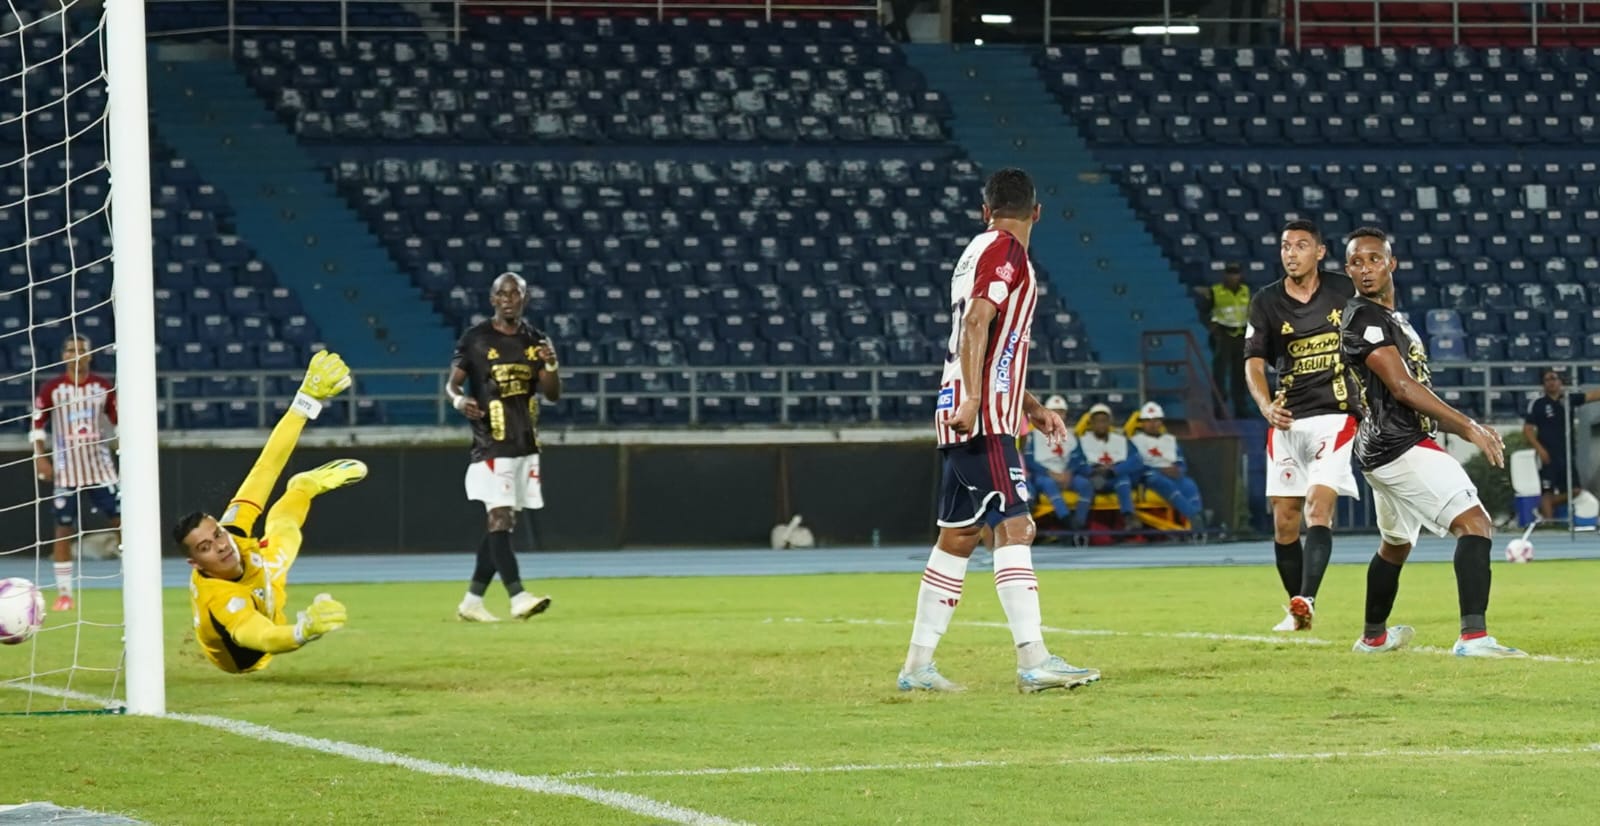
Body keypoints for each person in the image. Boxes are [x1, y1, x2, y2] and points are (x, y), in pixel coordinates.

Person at [899, 167, 1100, 694]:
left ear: (984, 209)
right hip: (982, 415)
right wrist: (974, 398)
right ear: (1037, 212)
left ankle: (917, 666)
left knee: (959, 536)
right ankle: (1034, 660)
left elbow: (992, 343)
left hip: (971, 408)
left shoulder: (974, 251)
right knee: (1016, 527)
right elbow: (976, 324)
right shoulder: (1008, 251)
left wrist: (1029, 404)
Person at [1339, 227, 1526, 657]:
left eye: (1373, 258)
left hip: (1379, 447)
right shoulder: (1364, 318)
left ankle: (1373, 638)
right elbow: (1402, 387)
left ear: (1391, 263)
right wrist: (1468, 427)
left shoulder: (1394, 319)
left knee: (1397, 544)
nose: (1365, 268)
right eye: (1356, 262)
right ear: (1347, 269)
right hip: (1398, 444)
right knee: (1475, 523)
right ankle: (1473, 638)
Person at [173, 351, 364, 674]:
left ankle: (305, 485)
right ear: (195, 563)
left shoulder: (232, 533)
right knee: (282, 536)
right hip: (245, 660)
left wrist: (305, 401)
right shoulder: (219, 599)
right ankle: (302, 486)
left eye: (217, 533)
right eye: (205, 548)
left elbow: (267, 466)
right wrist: (303, 631)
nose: (220, 545)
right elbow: (261, 637)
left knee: (285, 528)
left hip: (261, 578)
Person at [1244, 219, 1359, 633]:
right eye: (1285, 246)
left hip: (1336, 414)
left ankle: (1307, 597)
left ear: (1320, 252)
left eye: (1301, 245)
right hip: (1288, 419)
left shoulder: (1345, 290)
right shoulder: (1266, 301)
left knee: (1317, 507)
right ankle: (1298, 613)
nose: (1291, 253)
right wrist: (1264, 405)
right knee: (1285, 520)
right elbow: (1253, 362)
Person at [447, 272, 560, 623]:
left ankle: (472, 601)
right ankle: (518, 596)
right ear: (493, 299)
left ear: (524, 298)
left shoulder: (535, 339)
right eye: (503, 293)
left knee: (504, 522)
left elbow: (553, 394)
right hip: (491, 443)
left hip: (524, 442)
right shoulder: (477, 339)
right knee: (499, 517)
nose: (509, 299)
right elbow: (452, 385)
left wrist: (552, 363)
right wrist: (458, 402)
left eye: (516, 293)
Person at [29, 334, 119, 612]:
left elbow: (118, 422)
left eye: (82, 350)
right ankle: (65, 593)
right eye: (71, 350)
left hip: (100, 468)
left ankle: (133, 576)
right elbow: (37, 426)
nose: (76, 354)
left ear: (90, 355)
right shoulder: (52, 389)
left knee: (123, 522)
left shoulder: (102, 387)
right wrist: (40, 458)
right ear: (63, 356)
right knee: (62, 530)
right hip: (66, 471)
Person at [1522, 369, 1600, 520]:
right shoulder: (1538, 404)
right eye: (1547, 379)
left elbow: (1592, 396)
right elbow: (1527, 430)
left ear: (1561, 382)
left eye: (1554, 379)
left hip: (1567, 453)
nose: (1551, 382)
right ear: (1543, 384)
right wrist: (1540, 450)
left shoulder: (1569, 399)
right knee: (1547, 489)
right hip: (1547, 454)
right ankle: (1550, 525)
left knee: (1575, 490)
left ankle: (1543, 507)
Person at [1129, 402, 1205, 528]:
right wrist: (1161, 470)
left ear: (1161, 422)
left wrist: (1178, 470)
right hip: (1149, 475)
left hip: (1172, 473)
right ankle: (1194, 516)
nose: (1152, 424)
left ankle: (1198, 522)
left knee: (1189, 484)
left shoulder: (1170, 440)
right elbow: (1136, 465)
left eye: (1156, 420)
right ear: (1142, 423)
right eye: (1148, 421)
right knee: (1162, 481)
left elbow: (1181, 462)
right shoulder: (1135, 441)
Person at [1069, 403, 1141, 529]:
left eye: (1104, 421)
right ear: (1091, 423)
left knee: (1123, 480)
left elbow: (1136, 460)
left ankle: (1129, 517)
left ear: (1110, 422)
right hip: (1093, 478)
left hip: (1114, 477)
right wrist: (1092, 471)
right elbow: (1076, 463)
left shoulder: (1121, 440)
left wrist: (1114, 470)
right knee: (1086, 484)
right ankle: (1078, 525)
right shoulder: (1082, 440)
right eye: (1097, 421)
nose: (1101, 424)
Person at [1023, 395, 1090, 528]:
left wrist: (1069, 472)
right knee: (1048, 483)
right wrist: (1049, 473)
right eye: (1054, 411)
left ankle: (1080, 522)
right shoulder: (1033, 435)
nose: (1057, 415)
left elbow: (1078, 459)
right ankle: (1065, 519)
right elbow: (1028, 460)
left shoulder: (1071, 436)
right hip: (1043, 474)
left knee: (1085, 484)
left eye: (1061, 412)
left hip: (1066, 473)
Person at [1198, 263, 1252, 418]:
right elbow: (1203, 311)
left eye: (1235, 273)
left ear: (1240, 275)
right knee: (1220, 374)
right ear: (1225, 275)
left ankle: (1240, 407)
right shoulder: (1216, 291)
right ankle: (1219, 408)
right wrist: (1211, 326)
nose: (1233, 276)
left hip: (1241, 335)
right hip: (1223, 335)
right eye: (1230, 273)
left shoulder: (1246, 291)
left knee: (1240, 374)